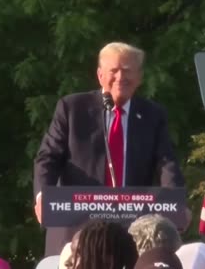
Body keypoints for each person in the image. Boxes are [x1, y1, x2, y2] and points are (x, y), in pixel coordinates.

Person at [33, 41, 187, 256]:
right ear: (100, 75)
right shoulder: (72, 108)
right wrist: (43, 198)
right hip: (76, 229)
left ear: (139, 77)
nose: (120, 77)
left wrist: (174, 202)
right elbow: (48, 158)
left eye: (127, 71)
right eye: (113, 70)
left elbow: (167, 163)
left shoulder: (153, 115)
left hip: (131, 231)